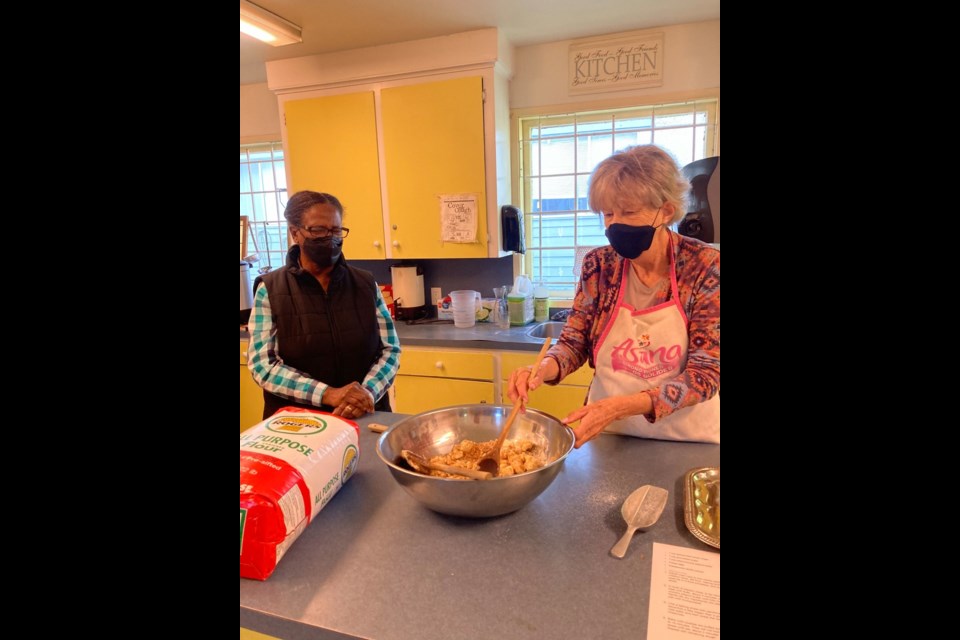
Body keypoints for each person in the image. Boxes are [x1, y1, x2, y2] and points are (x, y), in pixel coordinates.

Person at [507, 145, 719, 446]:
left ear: (666, 210)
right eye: (607, 213)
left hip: (686, 438)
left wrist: (625, 405)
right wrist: (543, 368)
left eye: (628, 212)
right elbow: (574, 342)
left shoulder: (705, 266)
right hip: (607, 435)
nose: (613, 224)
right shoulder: (598, 265)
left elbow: (707, 372)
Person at [247, 191, 401, 421]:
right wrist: (329, 394)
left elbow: (390, 350)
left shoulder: (365, 283)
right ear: (295, 233)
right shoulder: (270, 288)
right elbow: (263, 365)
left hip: (364, 417)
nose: (330, 237)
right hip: (298, 425)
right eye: (318, 230)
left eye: (336, 230)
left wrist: (365, 394)